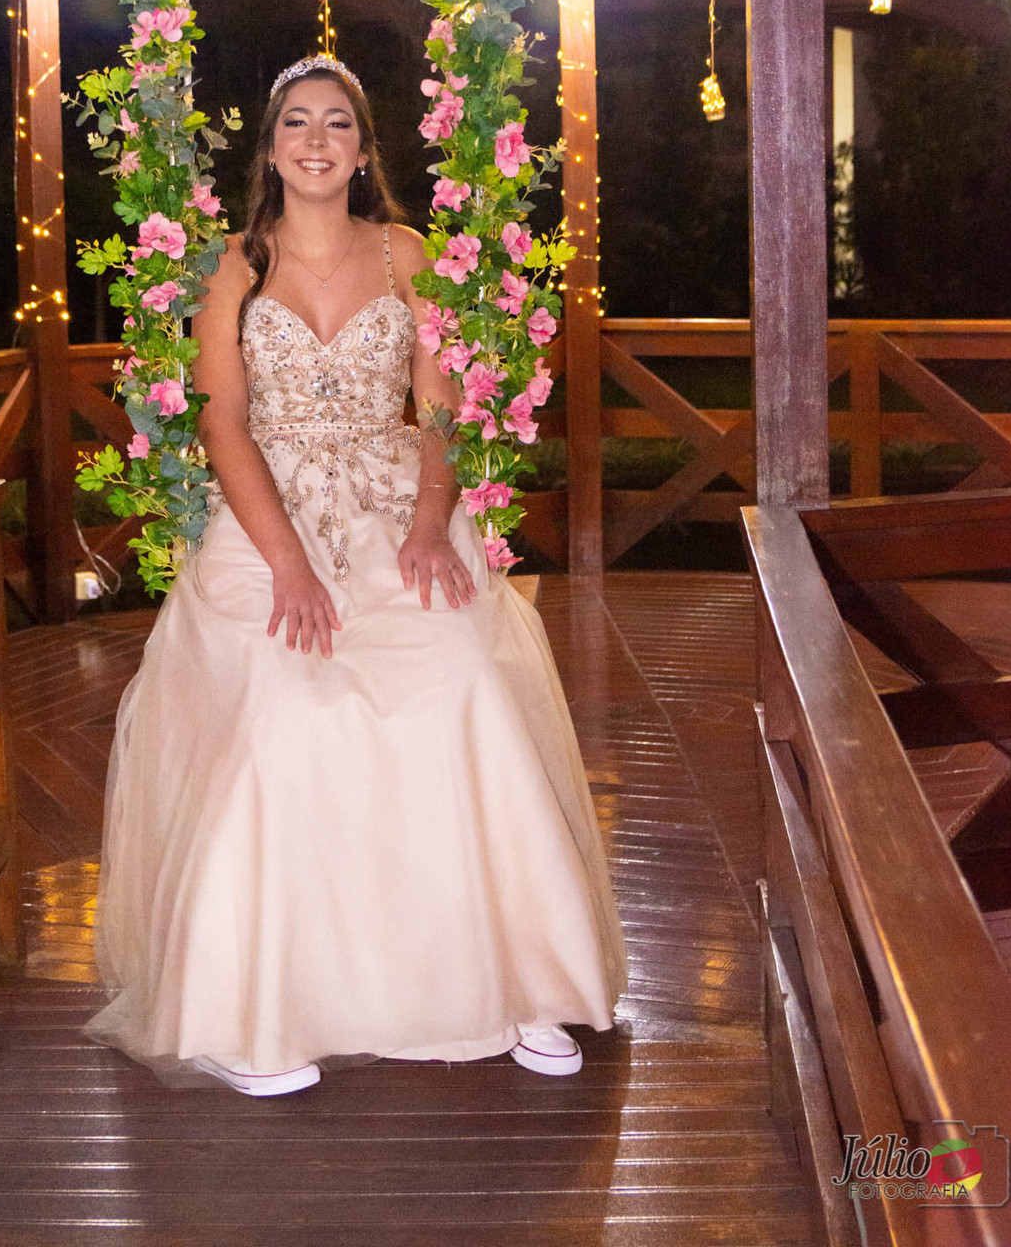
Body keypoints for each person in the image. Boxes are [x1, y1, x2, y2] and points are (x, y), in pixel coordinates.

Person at [87, 54, 626, 1096]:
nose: (317, 140)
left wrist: (429, 526)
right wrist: (287, 564)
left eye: (338, 123)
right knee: (285, 707)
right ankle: (250, 1013)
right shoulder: (231, 269)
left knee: (463, 680)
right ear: (271, 148)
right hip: (269, 516)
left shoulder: (407, 254)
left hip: (392, 501)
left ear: (365, 149)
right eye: (297, 122)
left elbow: (440, 407)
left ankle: (520, 981)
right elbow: (223, 424)